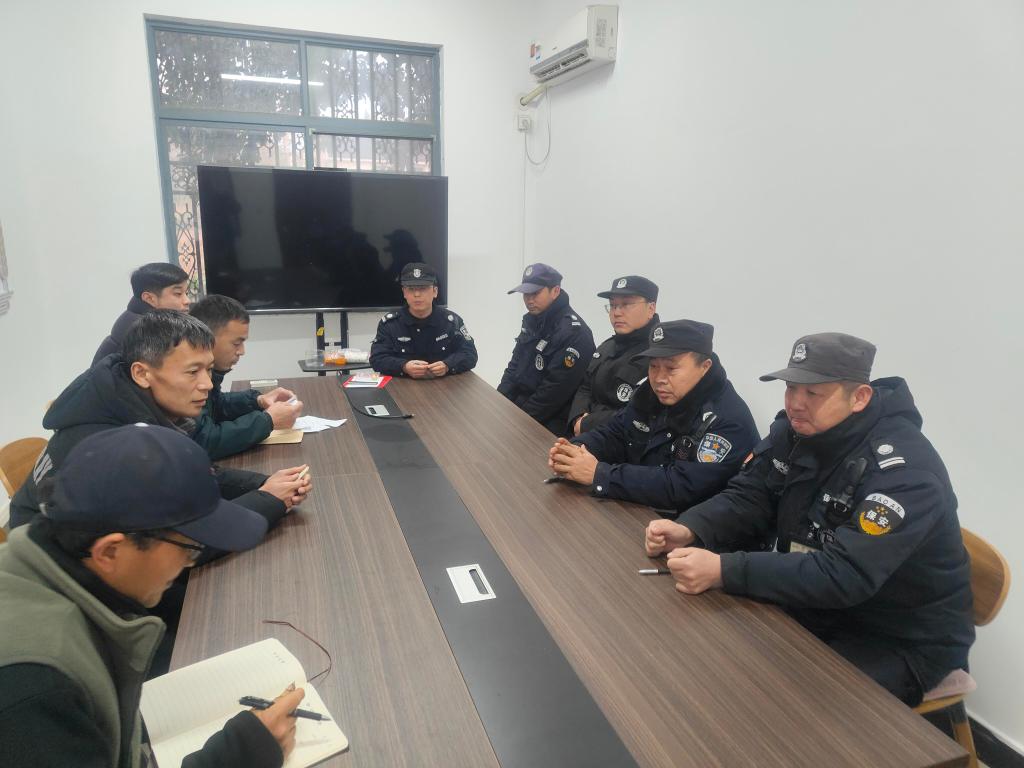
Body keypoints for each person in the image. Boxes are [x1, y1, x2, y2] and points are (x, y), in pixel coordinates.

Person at [644, 333, 974, 705]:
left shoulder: (904, 473)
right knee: (711, 658)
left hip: (898, 636)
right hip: (819, 605)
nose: (796, 404)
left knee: (783, 705)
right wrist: (692, 526)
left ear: (859, 397)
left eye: (813, 393)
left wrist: (725, 570)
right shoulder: (797, 430)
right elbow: (751, 494)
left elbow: (845, 574)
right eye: (791, 388)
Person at [0, 425, 306, 768]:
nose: (190, 562)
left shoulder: (56, 568)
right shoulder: (34, 690)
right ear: (111, 551)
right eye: (189, 548)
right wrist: (242, 753)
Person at [11, 311, 311, 534]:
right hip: (64, 583)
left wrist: (263, 484)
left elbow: (192, 474)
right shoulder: (114, 447)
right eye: (192, 372)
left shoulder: (126, 402)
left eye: (208, 370)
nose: (207, 384)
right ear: (142, 373)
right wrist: (267, 499)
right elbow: (176, 541)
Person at [549, 320, 759, 515]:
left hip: (687, 529)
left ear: (704, 367)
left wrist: (600, 474)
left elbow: (681, 487)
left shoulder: (728, 419)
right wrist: (574, 451)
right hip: (636, 507)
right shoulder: (650, 393)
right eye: (653, 366)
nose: (659, 378)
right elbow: (616, 432)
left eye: (671, 368)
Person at [190, 294, 303, 459]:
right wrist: (268, 420)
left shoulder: (210, 372)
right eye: (237, 343)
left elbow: (216, 405)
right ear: (207, 338)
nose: (242, 351)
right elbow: (204, 441)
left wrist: (258, 401)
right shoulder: (187, 378)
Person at [498, 263, 595, 434]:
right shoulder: (532, 320)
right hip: (522, 406)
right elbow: (514, 367)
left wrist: (517, 422)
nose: (529, 300)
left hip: (551, 418)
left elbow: (553, 392)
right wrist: (497, 402)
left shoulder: (574, 333)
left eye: (535, 293)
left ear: (555, 291)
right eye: (526, 294)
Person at [567, 275, 661, 436]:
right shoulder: (607, 346)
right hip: (582, 434)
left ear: (651, 308)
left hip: (619, 442)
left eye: (626, 304)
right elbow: (585, 387)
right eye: (613, 305)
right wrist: (577, 417)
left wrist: (587, 424)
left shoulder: (658, 356)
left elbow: (644, 413)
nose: (617, 312)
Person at [369, 262, 478, 378]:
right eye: (411, 289)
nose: (417, 294)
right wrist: (403, 366)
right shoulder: (390, 324)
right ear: (404, 292)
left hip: (444, 384)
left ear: (435, 291)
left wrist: (448, 365)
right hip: (403, 384)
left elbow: (470, 354)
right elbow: (377, 358)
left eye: (423, 288)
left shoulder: (452, 322)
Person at [93, 261, 190, 364]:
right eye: (178, 293)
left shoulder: (133, 317)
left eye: (186, 293)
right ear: (149, 298)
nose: (187, 301)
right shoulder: (147, 332)